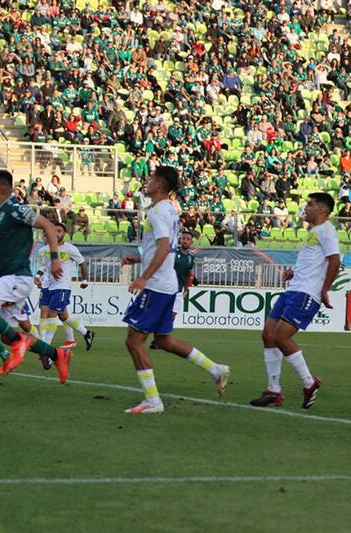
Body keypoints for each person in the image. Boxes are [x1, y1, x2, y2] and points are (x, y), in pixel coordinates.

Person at [120, 166, 230, 414]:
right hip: (167, 284)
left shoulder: (159, 211)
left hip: (156, 285)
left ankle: (152, 400)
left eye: (150, 179)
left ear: (159, 184)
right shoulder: (170, 209)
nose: (146, 183)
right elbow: (165, 249)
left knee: (134, 341)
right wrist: (138, 261)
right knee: (164, 340)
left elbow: (162, 248)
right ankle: (216, 369)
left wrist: (143, 278)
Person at [0, 170, 71, 383]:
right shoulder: (1, 214)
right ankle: (57, 354)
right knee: (0, 332)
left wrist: (55, 258)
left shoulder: (15, 209)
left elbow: (47, 225)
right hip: (6, 277)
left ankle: (18, 344)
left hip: (16, 278)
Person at [250, 193, 341, 409]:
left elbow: (335, 261)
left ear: (321, 209)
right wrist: (295, 272)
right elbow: (314, 261)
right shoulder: (314, 231)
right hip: (294, 289)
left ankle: (310, 383)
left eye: (310, 204)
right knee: (268, 335)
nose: (305, 208)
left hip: (307, 294)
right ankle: (273, 390)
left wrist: (325, 289)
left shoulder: (327, 230)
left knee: (281, 337)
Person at [35, 222, 94, 358]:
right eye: (54, 231)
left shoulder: (70, 248)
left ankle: (45, 348)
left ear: (64, 233)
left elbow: (82, 263)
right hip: (48, 286)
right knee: (63, 316)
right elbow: (44, 266)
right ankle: (87, 333)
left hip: (62, 286)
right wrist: (38, 276)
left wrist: (84, 279)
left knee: (51, 313)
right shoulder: (43, 250)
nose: (56, 234)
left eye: (59, 231)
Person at [150, 231, 195, 350]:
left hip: (179, 291)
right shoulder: (173, 253)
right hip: (167, 289)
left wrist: (186, 289)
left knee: (171, 316)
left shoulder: (191, 258)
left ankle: (158, 340)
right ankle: (157, 339)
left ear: (191, 242)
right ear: (180, 240)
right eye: (183, 238)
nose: (185, 240)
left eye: (188, 239)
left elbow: (187, 275)